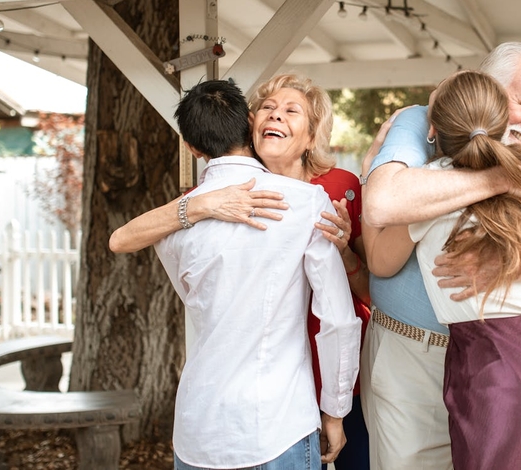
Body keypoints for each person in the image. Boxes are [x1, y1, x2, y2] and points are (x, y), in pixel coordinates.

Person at [359, 42, 521, 469]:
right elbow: (383, 205)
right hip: (414, 356)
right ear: (487, 87)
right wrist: (502, 177)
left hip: (500, 370)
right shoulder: (420, 121)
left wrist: (504, 262)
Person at [109, 74, 374, 469]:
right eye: (269, 108)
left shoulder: (172, 223)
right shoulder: (307, 203)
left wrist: (196, 207)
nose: (277, 116)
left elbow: (196, 298)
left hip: (200, 425)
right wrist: (334, 414)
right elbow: (338, 320)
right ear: (249, 123)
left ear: (190, 147)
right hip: (278, 420)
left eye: (290, 111)